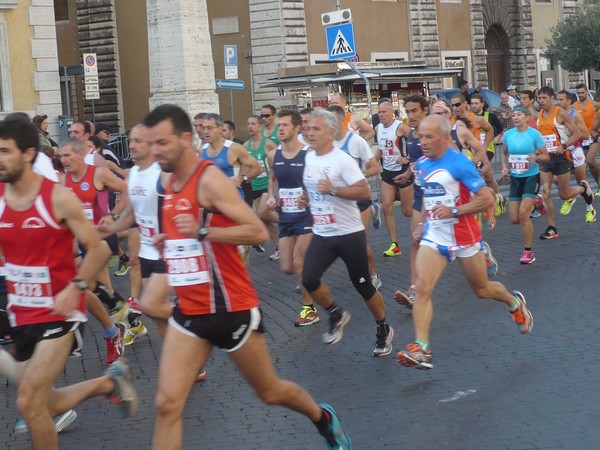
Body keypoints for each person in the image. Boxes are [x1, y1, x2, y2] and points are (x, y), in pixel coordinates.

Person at [142, 104, 351, 450]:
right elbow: (189, 236)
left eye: (162, 143)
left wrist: (203, 230)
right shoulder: (168, 182)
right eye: (152, 144)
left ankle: (321, 417)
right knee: (166, 404)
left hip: (231, 308)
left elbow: (255, 231)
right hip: (190, 311)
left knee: (269, 391)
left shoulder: (207, 179)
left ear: (184, 139)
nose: (156, 151)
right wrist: (172, 241)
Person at [0, 117, 137, 449]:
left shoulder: (58, 198)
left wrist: (75, 287)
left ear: (29, 153)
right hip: (22, 314)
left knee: (29, 401)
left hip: (61, 314)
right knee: (48, 402)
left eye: (5, 151)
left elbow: (98, 248)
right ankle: (107, 384)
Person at [396, 115, 533, 370]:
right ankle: (422, 348)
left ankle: (514, 303)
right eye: (420, 136)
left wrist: (455, 212)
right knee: (422, 288)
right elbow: (430, 197)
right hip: (435, 236)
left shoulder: (460, 164)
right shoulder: (423, 164)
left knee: (481, 290)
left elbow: (487, 199)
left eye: (429, 137)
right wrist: (422, 224)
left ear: (445, 137)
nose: (422, 142)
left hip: (464, 236)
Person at [300, 109, 394, 356]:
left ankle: (383, 327)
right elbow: (312, 188)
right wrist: (305, 198)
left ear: (330, 133)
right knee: (309, 279)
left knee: (362, 285)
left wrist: (334, 190)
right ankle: (335, 313)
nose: (309, 133)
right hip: (323, 232)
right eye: (308, 128)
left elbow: (363, 192)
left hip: (348, 233)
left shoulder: (342, 160)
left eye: (316, 129)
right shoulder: (309, 158)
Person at [266, 110, 319, 326]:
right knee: (287, 267)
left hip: (307, 215)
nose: (280, 129)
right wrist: (271, 196)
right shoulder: (273, 155)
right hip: (285, 215)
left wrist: (308, 196)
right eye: (279, 125)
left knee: (299, 262)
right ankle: (314, 277)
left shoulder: (309, 154)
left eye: (285, 125)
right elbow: (273, 179)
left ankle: (309, 308)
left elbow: (319, 182)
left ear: (297, 129)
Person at [328, 105, 382, 289]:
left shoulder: (356, 142)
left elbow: (375, 168)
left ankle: (373, 274)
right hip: (340, 199)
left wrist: (358, 177)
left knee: (359, 242)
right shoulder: (327, 145)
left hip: (359, 198)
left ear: (342, 121)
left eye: (333, 121)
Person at [536, 86, 593, 239]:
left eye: (544, 98)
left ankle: (582, 189)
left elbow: (578, 134)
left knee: (564, 195)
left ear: (551, 98)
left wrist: (564, 146)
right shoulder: (539, 115)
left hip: (562, 157)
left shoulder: (560, 113)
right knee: (546, 191)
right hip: (547, 158)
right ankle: (552, 227)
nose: (541, 101)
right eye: (539, 98)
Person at [392, 95, 429, 308]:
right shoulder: (413, 135)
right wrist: (407, 173)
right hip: (421, 195)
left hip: (441, 198)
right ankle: (414, 290)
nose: (411, 116)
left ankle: (480, 250)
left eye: (415, 111)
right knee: (415, 241)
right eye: (408, 112)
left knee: (457, 247)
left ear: (425, 110)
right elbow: (416, 164)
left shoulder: (435, 133)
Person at [501, 106, 550, 264]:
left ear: (527, 117)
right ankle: (537, 203)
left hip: (531, 177)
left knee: (523, 215)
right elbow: (503, 152)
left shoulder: (534, 134)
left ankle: (528, 252)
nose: (515, 117)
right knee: (515, 218)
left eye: (519, 114)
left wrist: (536, 159)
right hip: (515, 178)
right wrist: (503, 167)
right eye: (513, 115)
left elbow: (545, 156)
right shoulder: (508, 135)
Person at [374, 98, 414, 257]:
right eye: (379, 112)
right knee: (387, 207)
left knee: (407, 211)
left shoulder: (401, 127)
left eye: (384, 112)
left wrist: (408, 158)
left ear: (392, 112)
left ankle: (426, 214)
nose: (381, 115)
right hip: (388, 173)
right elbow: (381, 150)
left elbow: (416, 142)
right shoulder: (377, 128)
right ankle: (394, 245)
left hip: (403, 171)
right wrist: (371, 161)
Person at [556, 90, 596, 222]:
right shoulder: (555, 114)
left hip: (575, 151)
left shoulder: (575, 114)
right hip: (562, 152)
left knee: (582, 182)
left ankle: (590, 209)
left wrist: (571, 133)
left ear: (569, 101)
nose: (559, 102)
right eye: (557, 99)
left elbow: (585, 134)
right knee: (553, 178)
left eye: (561, 99)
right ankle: (570, 195)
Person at [244, 115, 280, 260]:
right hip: (254, 186)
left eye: (253, 124)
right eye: (248, 124)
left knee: (261, 213)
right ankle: (280, 247)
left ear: (260, 126)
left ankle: (289, 219)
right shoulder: (245, 146)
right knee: (265, 220)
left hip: (267, 184)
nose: (250, 126)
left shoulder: (268, 143)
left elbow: (279, 160)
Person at [574, 84, 600, 194]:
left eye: (582, 92)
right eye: (578, 93)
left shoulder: (593, 104)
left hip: (594, 135)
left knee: (590, 159)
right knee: (590, 165)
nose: (580, 95)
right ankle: (599, 185)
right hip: (583, 138)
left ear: (587, 92)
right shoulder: (574, 106)